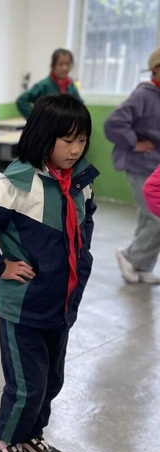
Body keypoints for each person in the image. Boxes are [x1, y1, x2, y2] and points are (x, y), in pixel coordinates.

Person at [0, 94, 98, 452]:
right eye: (67, 140)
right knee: (27, 383)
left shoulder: (81, 182)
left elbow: (85, 223)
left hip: (62, 303)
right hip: (22, 307)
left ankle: (31, 432)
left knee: (51, 380)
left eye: (82, 139)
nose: (76, 149)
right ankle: (0, 434)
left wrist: (81, 264)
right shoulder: (15, 184)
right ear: (43, 136)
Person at [104, 47, 160, 284]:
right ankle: (129, 256)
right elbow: (113, 124)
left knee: (147, 218)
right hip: (139, 167)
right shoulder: (143, 95)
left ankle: (141, 266)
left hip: (154, 168)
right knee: (156, 218)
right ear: (156, 69)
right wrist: (133, 143)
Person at [16, 48, 83, 119]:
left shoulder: (71, 86)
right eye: (60, 64)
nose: (64, 68)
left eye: (68, 64)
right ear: (53, 66)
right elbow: (21, 100)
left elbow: (80, 105)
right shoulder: (43, 86)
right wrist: (35, 119)